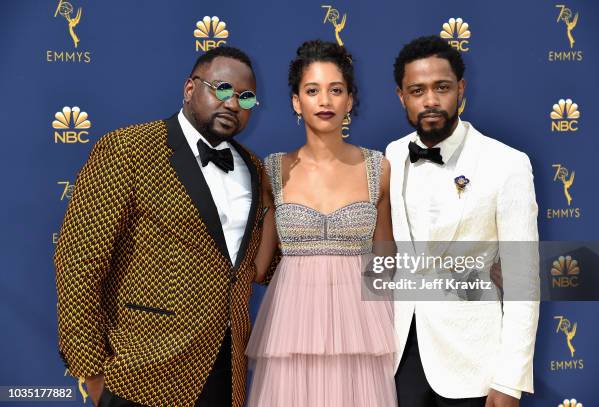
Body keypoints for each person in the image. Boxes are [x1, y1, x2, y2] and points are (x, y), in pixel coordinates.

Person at [54, 46, 277, 407]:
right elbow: (78, 263)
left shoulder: (254, 168)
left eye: (245, 97)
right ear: (190, 89)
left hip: (226, 371)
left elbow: (256, 268)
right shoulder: (129, 149)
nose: (232, 104)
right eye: (221, 89)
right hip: (141, 371)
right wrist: (92, 373)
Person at [387, 36, 539, 407]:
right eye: (417, 90)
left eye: (442, 87)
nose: (430, 101)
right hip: (400, 357)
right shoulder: (393, 155)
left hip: (474, 364)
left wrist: (509, 380)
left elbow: (523, 281)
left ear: (461, 89)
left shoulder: (506, 164)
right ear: (401, 96)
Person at [246, 40, 398, 406]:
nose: (325, 101)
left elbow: (385, 264)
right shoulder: (272, 170)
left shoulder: (379, 168)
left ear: (350, 100)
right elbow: (260, 264)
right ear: (297, 102)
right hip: (291, 329)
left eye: (336, 90)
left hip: (362, 330)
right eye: (312, 90)